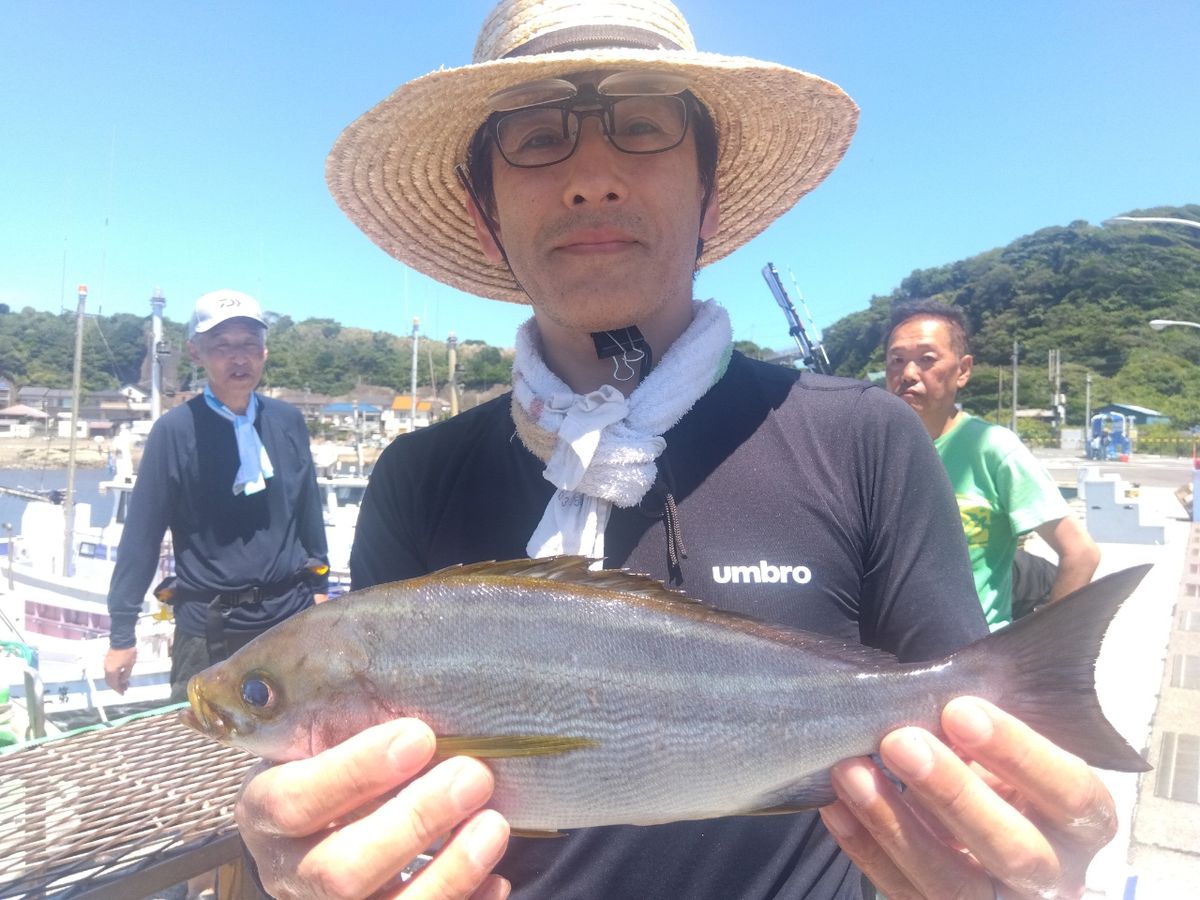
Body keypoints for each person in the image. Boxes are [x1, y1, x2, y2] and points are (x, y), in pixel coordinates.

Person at [235, 2, 1126, 898]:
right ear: (482, 214)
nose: (591, 177)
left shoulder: (864, 438)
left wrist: (1011, 866)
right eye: (536, 136)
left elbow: (972, 758)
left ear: (708, 185)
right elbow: (383, 802)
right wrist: (320, 867)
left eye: (646, 122)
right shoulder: (418, 478)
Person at [104, 289, 330, 705]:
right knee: (200, 754)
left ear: (264, 352)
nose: (238, 358)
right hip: (210, 629)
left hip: (291, 619)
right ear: (196, 352)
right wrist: (122, 634)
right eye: (222, 346)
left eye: (248, 344)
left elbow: (307, 511)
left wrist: (320, 586)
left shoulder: (288, 421)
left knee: (301, 751)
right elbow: (141, 537)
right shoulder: (174, 431)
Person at [885, 300, 1100, 628]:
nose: (908, 374)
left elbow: (1080, 553)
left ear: (963, 370)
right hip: (889, 656)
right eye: (897, 360)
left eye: (927, 359)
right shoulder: (876, 448)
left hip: (974, 657)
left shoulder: (993, 449)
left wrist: (1042, 648)